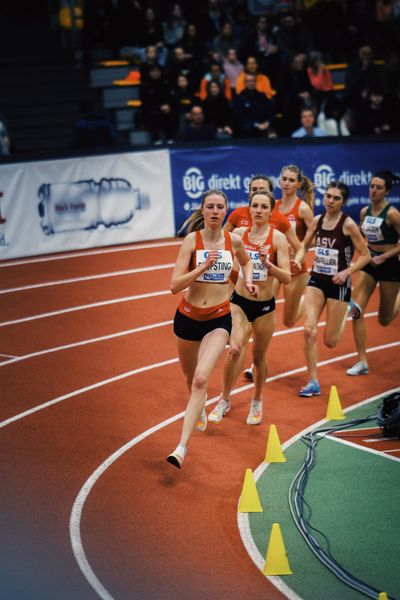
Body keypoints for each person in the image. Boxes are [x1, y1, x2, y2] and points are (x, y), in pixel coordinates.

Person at [166, 189, 258, 468]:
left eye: (220, 207)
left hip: (219, 318)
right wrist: (202, 267)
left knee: (200, 379)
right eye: (210, 207)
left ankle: (181, 448)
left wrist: (250, 280)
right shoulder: (192, 242)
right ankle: (200, 402)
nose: (215, 211)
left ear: (226, 211)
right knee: (189, 377)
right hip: (188, 317)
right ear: (203, 211)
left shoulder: (235, 241)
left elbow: (247, 262)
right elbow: (174, 285)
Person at [209, 189, 291, 426]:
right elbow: (225, 262)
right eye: (255, 206)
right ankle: (224, 399)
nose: (259, 211)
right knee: (234, 349)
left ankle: (257, 400)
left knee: (258, 358)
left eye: (264, 207)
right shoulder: (238, 234)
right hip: (239, 302)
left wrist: (269, 265)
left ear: (271, 211)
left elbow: (286, 277)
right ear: (249, 208)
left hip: (265, 306)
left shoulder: (278, 239)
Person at [294, 181, 370, 396]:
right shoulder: (317, 221)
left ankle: (348, 307)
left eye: (336, 198)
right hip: (317, 280)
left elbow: (366, 255)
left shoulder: (348, 225)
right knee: (308, 330)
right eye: (328, 196)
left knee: (330, 341)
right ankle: (313, 382)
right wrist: (298, 259)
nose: (330, 201)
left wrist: (347, 272)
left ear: (343, 202)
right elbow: (305, 244)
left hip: (339, 284)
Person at [346, 171, 400, 376]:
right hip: (370, 263)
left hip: (389, 265)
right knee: (356, 309)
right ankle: (362, 361)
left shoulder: (393, 213)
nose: (373, 190)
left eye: (378, 187)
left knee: (384, 320)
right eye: (371, 186)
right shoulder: (364, 212)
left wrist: (384, 257)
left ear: (386, 191)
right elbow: (361, 237)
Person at [273, 164, 314, 327]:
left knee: (288, 322)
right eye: (284, 179)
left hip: (295, 268)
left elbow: (315, 238)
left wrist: (299, 247)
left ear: (298, 184)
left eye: (291, 180)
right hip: (274, 265)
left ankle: (309, 299)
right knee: (263, 307)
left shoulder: (303, 209)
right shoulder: (273, 206)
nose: (287, 183)